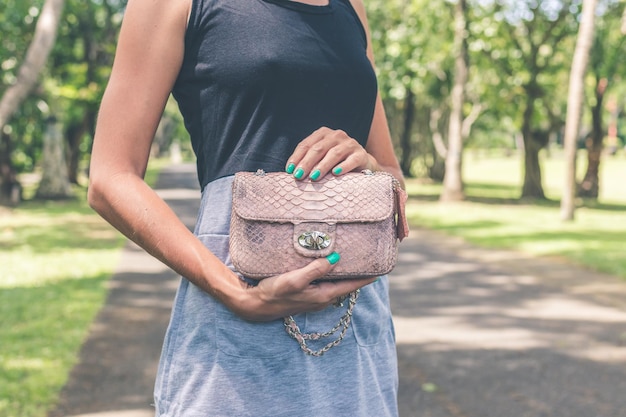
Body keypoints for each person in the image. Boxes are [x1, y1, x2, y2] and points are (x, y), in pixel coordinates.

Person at [88, 0, 406, 415]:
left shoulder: (352, 8)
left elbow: (394, 182)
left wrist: (371, 166)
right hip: (238, 310)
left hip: (355, 320)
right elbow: (110, 178)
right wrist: (236, 293)